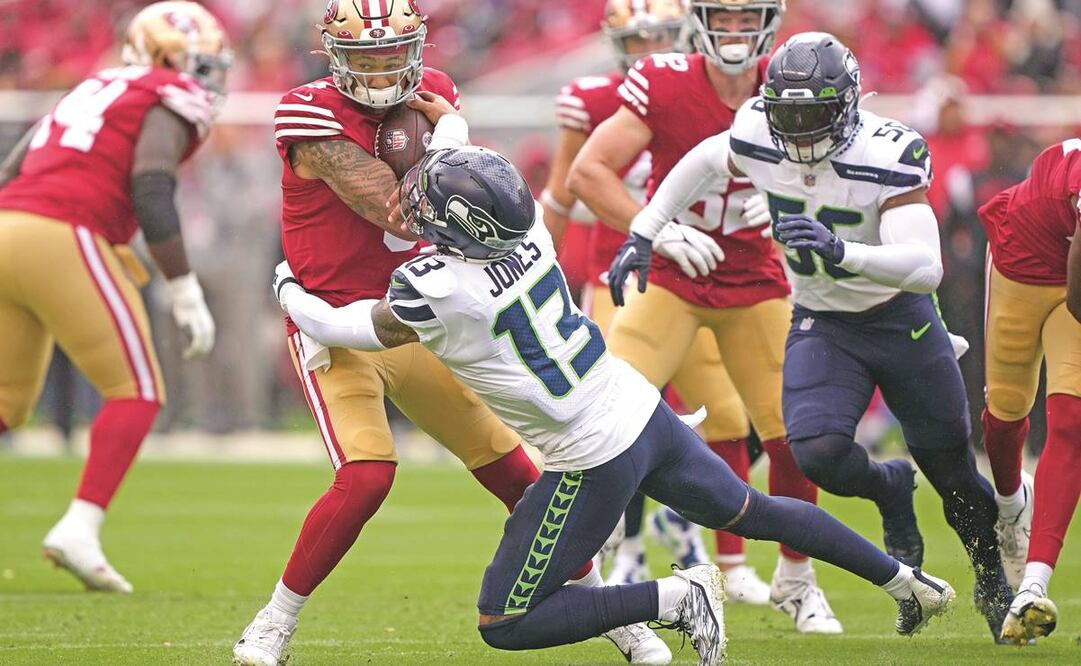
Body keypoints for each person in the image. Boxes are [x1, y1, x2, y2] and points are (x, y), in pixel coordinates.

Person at [275, 145, 956, 666]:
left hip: (592, 456)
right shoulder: (533, 231)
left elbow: (339, 327)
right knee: (756, 512)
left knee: (504, 622)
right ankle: (905, 581)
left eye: (427, 206)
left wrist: (287, 289)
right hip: (637, 406)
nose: (416, 213)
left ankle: (674, 597)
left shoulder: (438, 288)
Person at [232, 3, 661, 664]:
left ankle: (613, 615)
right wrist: (452, 132)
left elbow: (458, 198)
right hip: (338, 327)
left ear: (414, 47)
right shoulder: (308, 112)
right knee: (367, 477)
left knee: (518, 477)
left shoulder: (433, 93)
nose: (379, 71)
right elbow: (405, 212)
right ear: (332, 56)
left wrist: (449, 131)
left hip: (410, 320)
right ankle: (274, 621)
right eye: (365, 57)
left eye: (390, 54)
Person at [610, 31, 1015, 642]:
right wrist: (645, 230)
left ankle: (991, 576)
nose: (797, 131)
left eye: (812, 114)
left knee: (952, 471)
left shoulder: (888, 151)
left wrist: (842, 250)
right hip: (822, 317)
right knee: (816, 453)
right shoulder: (755, 134)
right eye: (786, 115)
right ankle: (889, 486)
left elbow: (926, 264)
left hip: (900, 317)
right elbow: (700, 160)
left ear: (847, 106)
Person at [567, 0, 836, 630]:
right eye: (726, 18)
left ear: (769, 23)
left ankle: (798, 577)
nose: (737, 31)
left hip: (756, 283)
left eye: (749, 20)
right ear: (701, 21)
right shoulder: (663, 80)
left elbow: (846, 174)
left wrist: (802, 206)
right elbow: (587, 172)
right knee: (602, 416)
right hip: (673, 279)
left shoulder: (794, 76)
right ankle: (598, 575)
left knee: (794, 434)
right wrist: (655, 233)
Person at [0, 0, 228, 593]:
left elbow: (14, 167)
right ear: (159, 58)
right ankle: (80, 526)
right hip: (63, 232)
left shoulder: (93, 86)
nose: (203, 80)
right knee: (139, 391)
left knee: (7, 404)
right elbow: (151, 184)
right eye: (193, 65)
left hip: (8, 226)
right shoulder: (161, 96)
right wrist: (184, 289)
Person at [542, 0, 724, 588]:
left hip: (704, 269)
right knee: (621, 414)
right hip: (614, 273)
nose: (649, 52)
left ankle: (684, 516)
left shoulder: (711, 87)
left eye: (662, 37)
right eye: (636, 40)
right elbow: (563, 193)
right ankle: (629, 545)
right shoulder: (593, 100)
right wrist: (536, 270)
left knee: (723, 412)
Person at [978, 139, 1081, 645]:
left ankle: (1032, 584)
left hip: (1073, 276)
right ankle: (1010, 501)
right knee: (1005, 411)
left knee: (1072, 422)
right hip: (1025, 261)